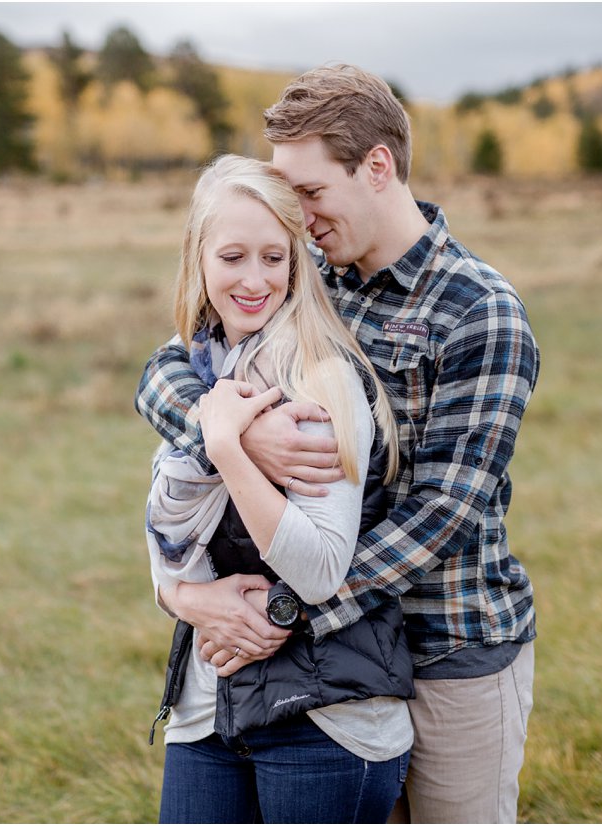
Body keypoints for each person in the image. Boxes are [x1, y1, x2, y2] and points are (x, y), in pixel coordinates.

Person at [136, 64, 540, 824]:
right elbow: (166, 370)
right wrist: (242, 435)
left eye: (311, 194)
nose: (301, 218)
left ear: (376, 167)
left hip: (448, 646)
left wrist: (281, 610)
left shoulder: (478, 310)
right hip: (334, 666)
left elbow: (441, 513)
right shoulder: (306, 274)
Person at [143, 154, 414, 824]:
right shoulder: (200, 370)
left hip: (323, 717)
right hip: (209, 702)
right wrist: (183, 595)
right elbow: (172, 537)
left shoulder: (319, 378)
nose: (254, 278)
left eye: (273, 256)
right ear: (198, 259)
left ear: (296, 262)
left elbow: (319, 570)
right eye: (232, 256)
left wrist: (228, 447)